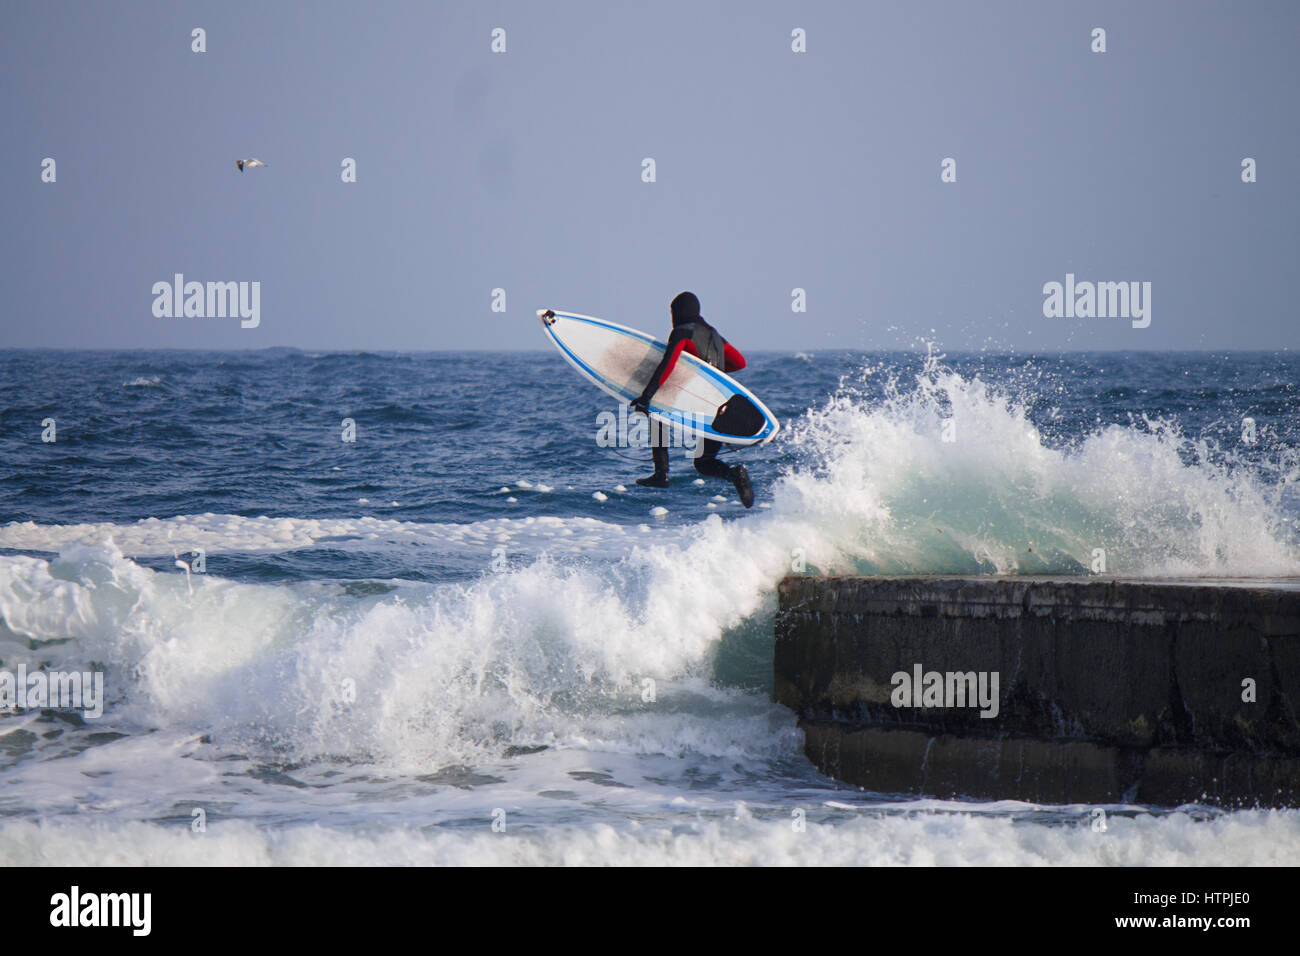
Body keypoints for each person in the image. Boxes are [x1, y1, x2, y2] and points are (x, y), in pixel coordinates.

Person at [629, 291, 755, 508]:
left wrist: (646, 397)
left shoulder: (682, 331)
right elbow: (740, 362)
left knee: (656, 413)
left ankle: (661, 474)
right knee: (703, 462)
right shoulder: (715, 335)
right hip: (716, 406)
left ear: (678, 312)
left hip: (691, 398)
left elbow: (667, 364)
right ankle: (735, 474)